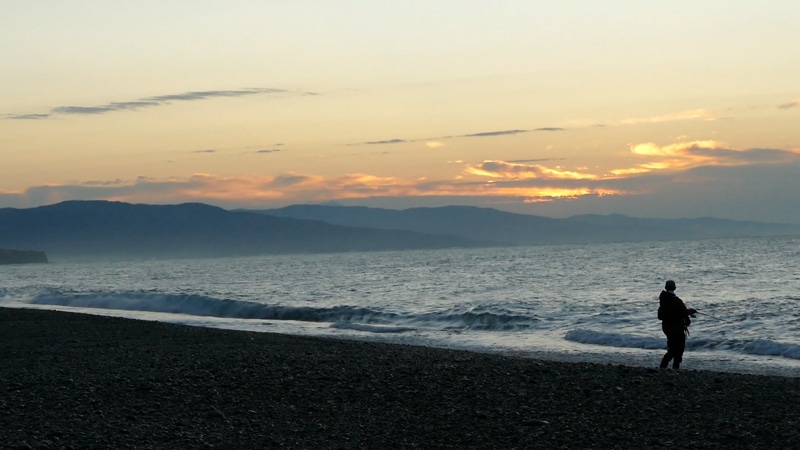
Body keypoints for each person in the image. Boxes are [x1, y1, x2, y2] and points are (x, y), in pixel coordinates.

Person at [658, 280, 696, 370]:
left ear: (666, 287)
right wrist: (692, 311)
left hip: (667, 328)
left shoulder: (663, 300)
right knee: (678, 349)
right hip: (677, 329)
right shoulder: (676, 300)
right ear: (675, 288)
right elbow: (683, 312)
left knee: (672, 347)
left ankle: (663, 367)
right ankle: (675, 368)